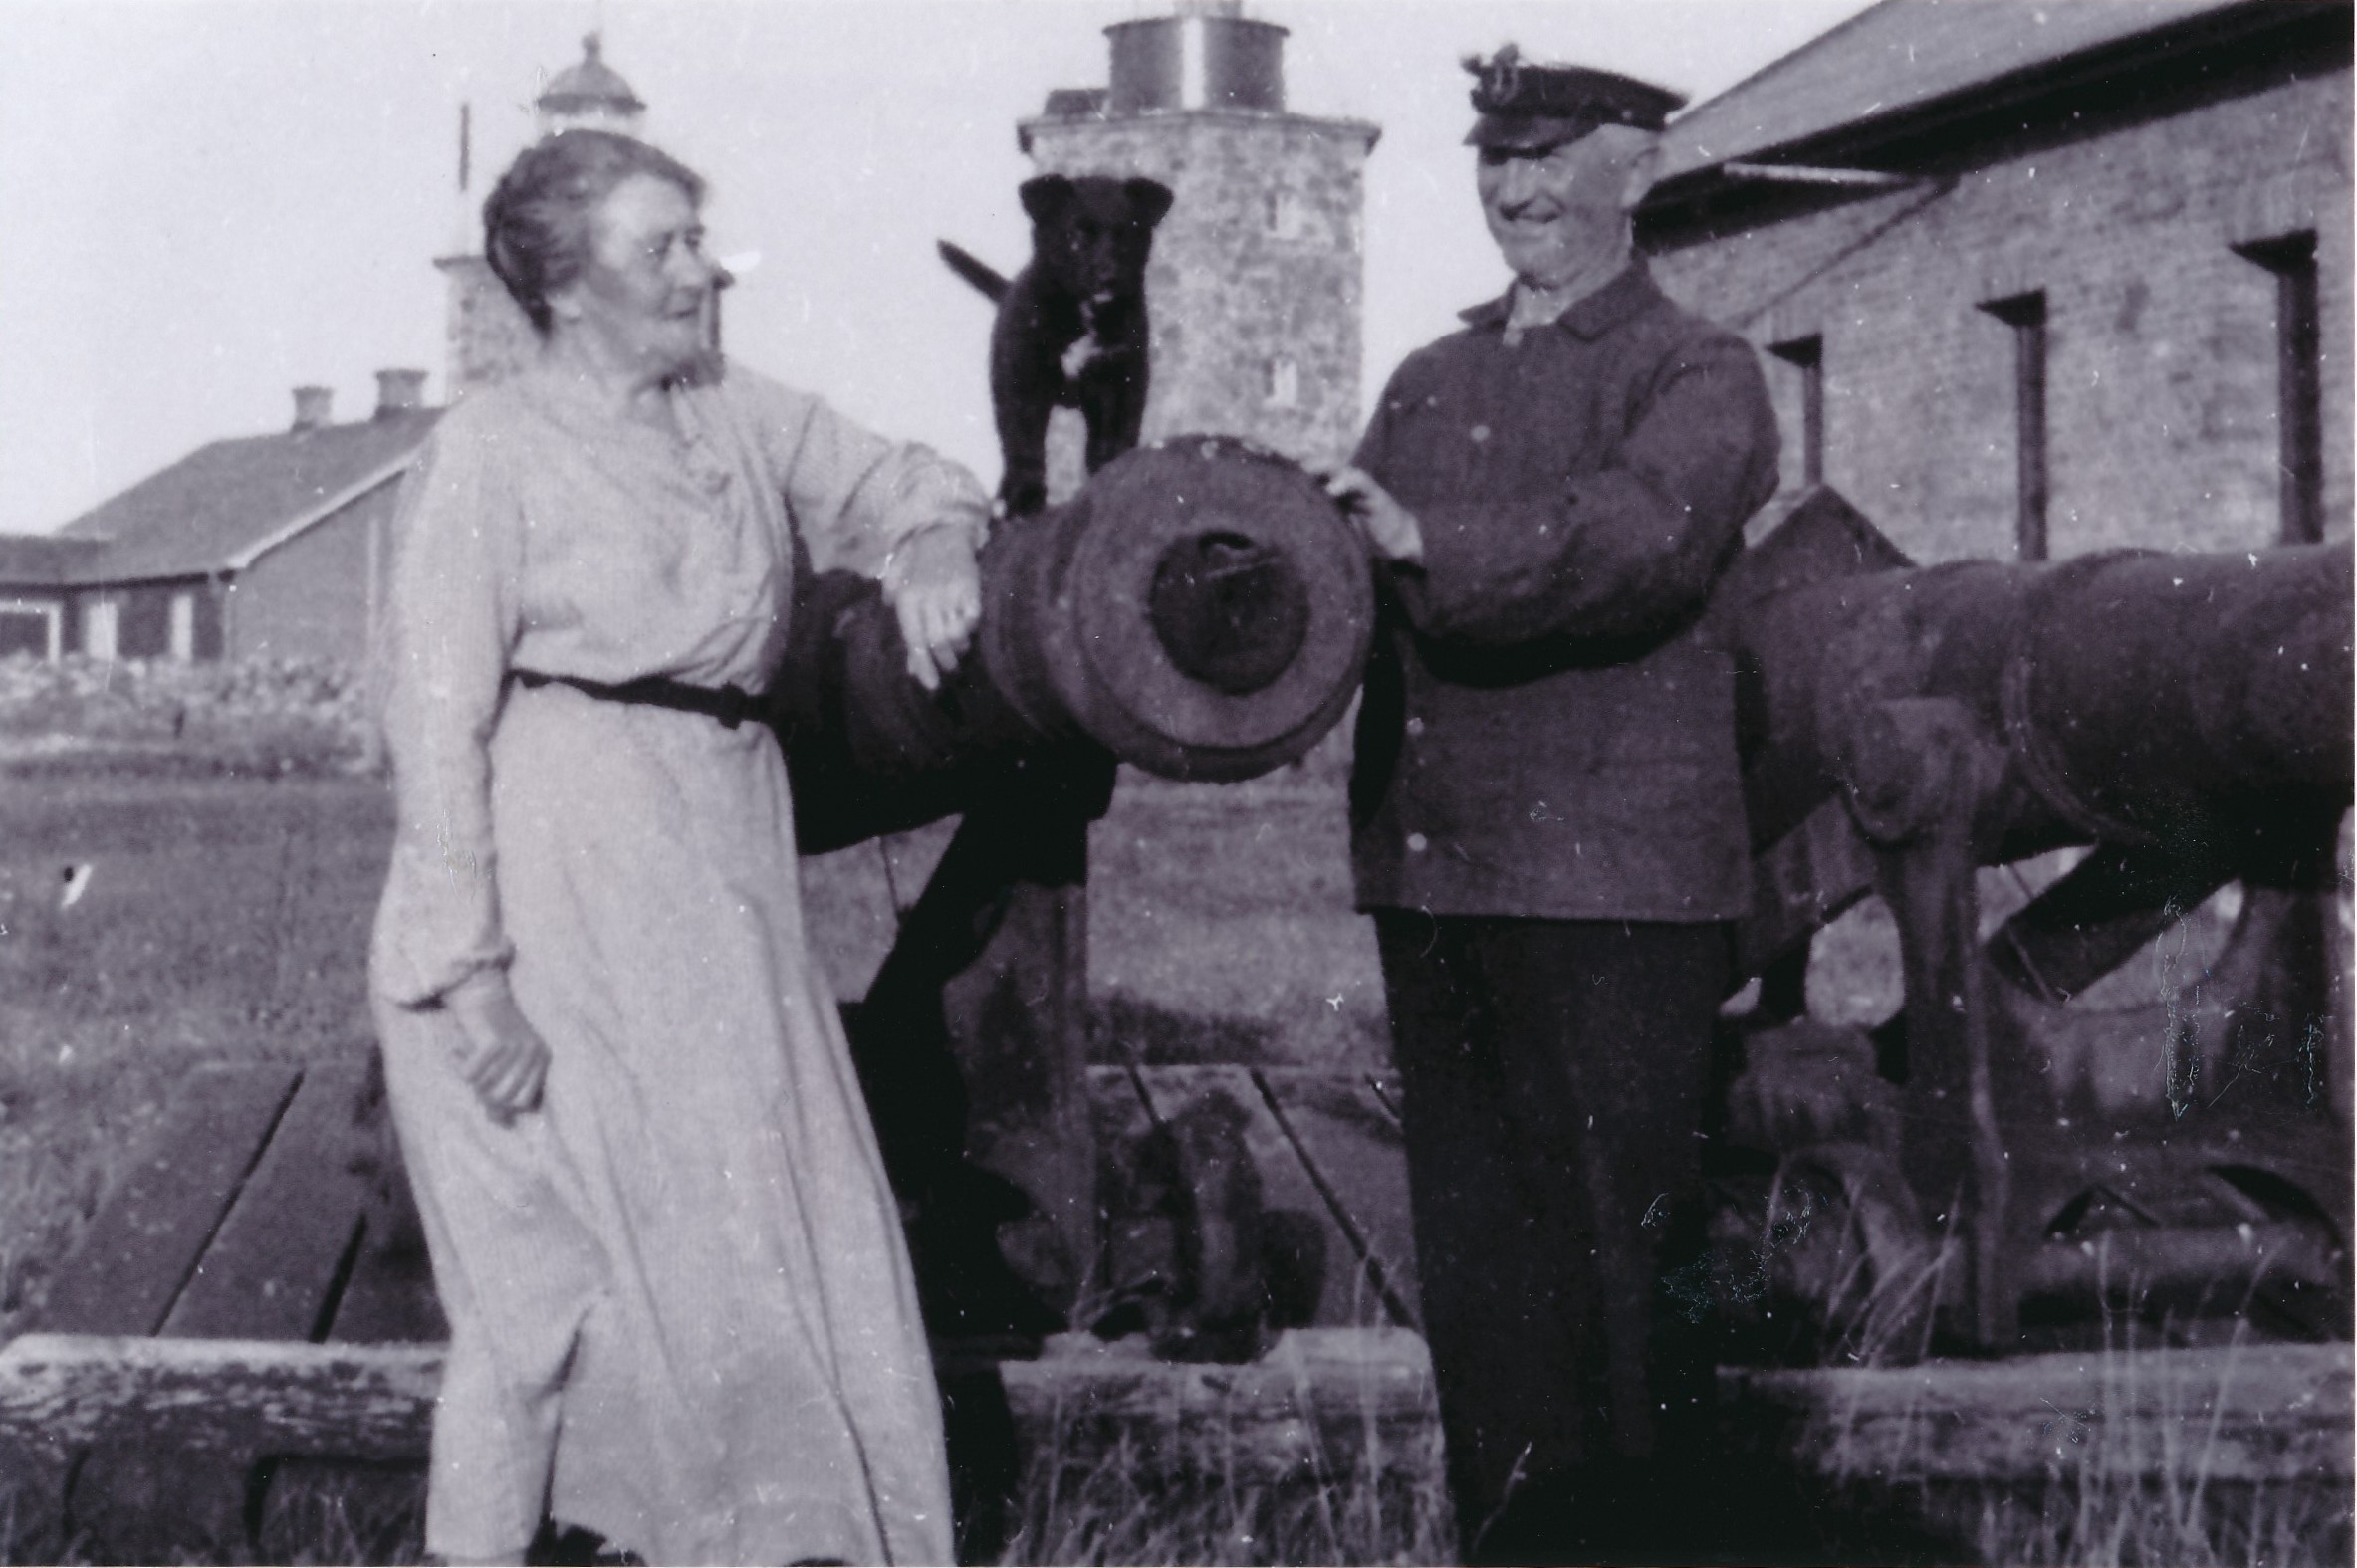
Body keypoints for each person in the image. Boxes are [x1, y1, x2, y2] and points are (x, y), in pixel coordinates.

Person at [369, 129, 986, 1566]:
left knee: (755, 1232)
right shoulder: (491, 450)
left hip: (719, 860)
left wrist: (939, 544)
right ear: (563, 287)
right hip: (558, 878)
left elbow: (909, 478)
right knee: (562, 1290)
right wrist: (472, 977)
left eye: (697, 239)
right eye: (661, 247)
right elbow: (434, 724)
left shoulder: (731, 411)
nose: (703, 272)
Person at [1323, 46, 1780, 1567]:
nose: (1514, 188)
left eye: (1549, 156)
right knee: (1482, 1278)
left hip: (1612, 900)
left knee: (1625, 1278)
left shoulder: (1700, 374)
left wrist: (1422, 544)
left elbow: (1638, 541)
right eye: (1495, 158)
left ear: (1638, 170)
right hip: (1440, 883)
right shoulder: (1429, 378)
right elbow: (1352, 595)